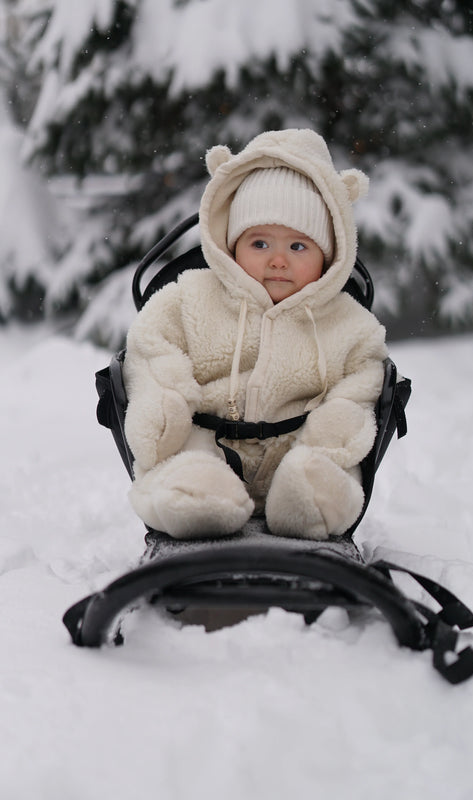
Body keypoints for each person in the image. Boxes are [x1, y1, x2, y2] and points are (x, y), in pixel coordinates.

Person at [123, 128, 387, 541]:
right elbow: (151, 346)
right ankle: (197, 494)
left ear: (329, 255)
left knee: (321, 476)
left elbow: (360, 389)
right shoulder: (190, 297)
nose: (278, 261)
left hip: (298, 456)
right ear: (232, 245)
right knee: (186, 470)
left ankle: (308, 497)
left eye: (298, 247)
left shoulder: (349, 324)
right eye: (260, 243)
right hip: (205, 449)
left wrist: (325, 442)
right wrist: (165, 406)